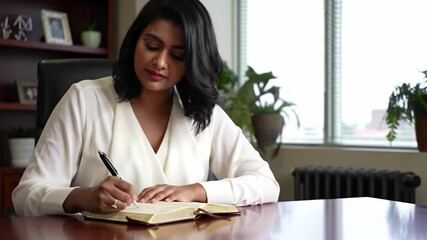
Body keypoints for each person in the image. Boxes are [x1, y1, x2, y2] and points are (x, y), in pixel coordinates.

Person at [12, 0, 280, 217]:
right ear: (134, 41)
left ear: (193, 62)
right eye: (151, 46)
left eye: (177, 55)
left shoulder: (203, 114)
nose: (160, 62)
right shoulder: (84, 100)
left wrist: (195, 191)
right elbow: (25, 196)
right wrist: (84, 197)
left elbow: (266, 184)